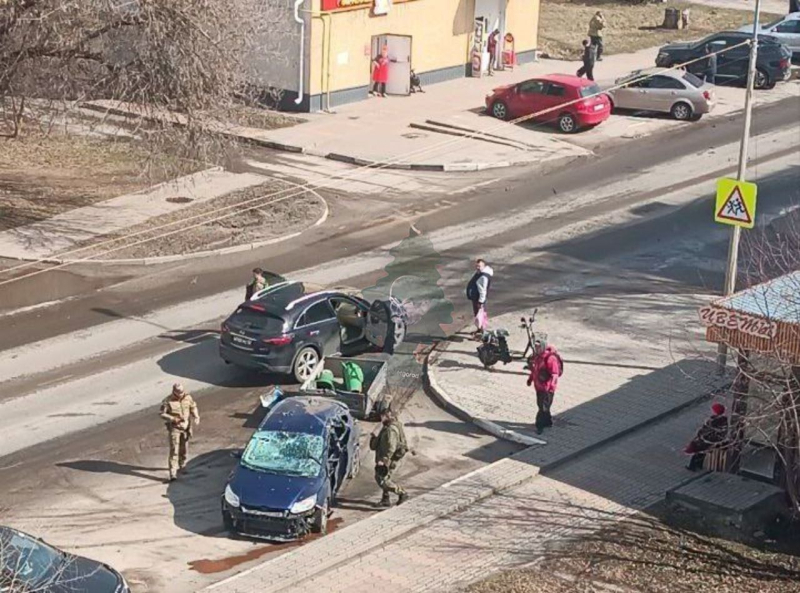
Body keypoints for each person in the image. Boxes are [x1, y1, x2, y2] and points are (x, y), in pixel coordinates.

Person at [159, 383, 200, 481]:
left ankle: (182, 465)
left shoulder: (188, 398)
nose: (182, 393)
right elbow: (162, 414)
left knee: (184, 448)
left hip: (186, 427)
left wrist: (196, 416)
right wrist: (173, 419)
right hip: (175, 428)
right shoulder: (167, 401)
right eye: (179, 392)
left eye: (182, 391)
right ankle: (173, 472)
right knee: (174, 450)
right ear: (174, 392)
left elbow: (193, 407)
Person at [370, 408, 409, 507]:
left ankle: (402, 493)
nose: (381, 418)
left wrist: (384, 460)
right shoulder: (389, 426)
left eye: (382, 416)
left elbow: (391, 447)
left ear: (387, 416)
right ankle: (385, 499)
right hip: (388, 458)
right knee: (385, 477)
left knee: (382, 480)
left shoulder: (391, 430)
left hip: (389, 460)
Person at [527, 338, 563, 434]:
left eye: (538, 347)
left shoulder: (550, 358)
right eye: (535, 347)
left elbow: (554, 374)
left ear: (543, 346)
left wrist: (550, 387)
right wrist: (530, 379)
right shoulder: (538, 357)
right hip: (539, 387)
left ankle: (539, 426)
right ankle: (548, 422)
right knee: (543, 406)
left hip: (547, 388)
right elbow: (535, 370)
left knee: (542, 407)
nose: (536, 348)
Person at [685, 403, 728, 471]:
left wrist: (700, 435)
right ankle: (699, 465)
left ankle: (692, 467)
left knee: (697, 452)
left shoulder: (712, 421)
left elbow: (705, 430)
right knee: (703, 453)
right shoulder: (724, 420)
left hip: (705, 440)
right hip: (712, 441)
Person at [466, 258, 494, 337]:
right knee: (478, 315)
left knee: (481, 315)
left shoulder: (483, 277)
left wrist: (480, 302)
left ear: (483, 266)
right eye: (477, 266)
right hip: (476, 298)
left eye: (479, 266)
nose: (477, 267)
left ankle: (483, 333)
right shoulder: (480, 273)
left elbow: (483, 290)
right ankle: (479, 329)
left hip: (479, 299)